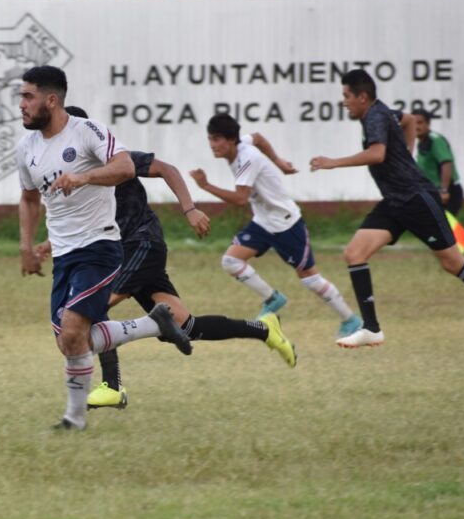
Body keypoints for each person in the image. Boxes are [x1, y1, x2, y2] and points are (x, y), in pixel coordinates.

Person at [35, 106, 297, 412]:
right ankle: (265, 329)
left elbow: (167, 169)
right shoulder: (74, 176)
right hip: (116, 250)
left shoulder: (117, 159)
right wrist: (49, 243)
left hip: (142, 243)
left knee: (89, 309)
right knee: (187, 326)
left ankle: (112, 386)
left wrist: (190, 209)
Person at [17, 66, 193, 431]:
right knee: (70, 342)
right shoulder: (26, 148)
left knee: (73, 331)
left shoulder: (88, 131)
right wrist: (26, 247)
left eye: (28, 96)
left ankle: (74, 420)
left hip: (99, 247)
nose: (22, 104)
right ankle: (154, 323)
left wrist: (83, 176)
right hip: (64, 255)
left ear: (52, 100)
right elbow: (29, 199)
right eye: (22, 97)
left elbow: (124, 167)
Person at [309, 68, 464, 352]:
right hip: (395, 201)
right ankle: (371, 328)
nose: (344, 102)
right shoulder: (381, 112)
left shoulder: (375, 116)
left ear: (362, 97)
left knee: (453, 262)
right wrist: (407, 152)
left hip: (416, 199)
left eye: (347, 96)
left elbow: (377, 154)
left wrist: (333, 162)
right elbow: (410, 119)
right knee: (354, 253)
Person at [189, 113, 363, 342]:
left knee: (309, 278)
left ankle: (351, 320)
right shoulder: (243, 144)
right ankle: (273, 299)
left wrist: (205, 185)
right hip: (263, 222)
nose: (212, 144)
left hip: (286, 223)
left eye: (217, 139)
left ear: (231, 140)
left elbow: (240, 199)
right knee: (231, 261)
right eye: (210, 138)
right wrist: (279, 162)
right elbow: (258, 137)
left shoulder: (247, 158)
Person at [413, 108, 464, 267]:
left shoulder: (435, 140)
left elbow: (446, 163)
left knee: (445, 225)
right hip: (434, 192)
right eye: (414, 123)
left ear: (428, 124)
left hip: (449, 191)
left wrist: (444, 189)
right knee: (443, 225)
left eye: (420, 122)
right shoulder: (421, 143)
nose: (416, 126)